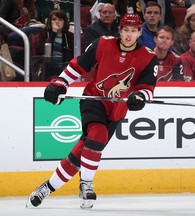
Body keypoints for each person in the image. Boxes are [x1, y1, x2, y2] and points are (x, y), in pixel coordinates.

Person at [26, 13, 158, 209]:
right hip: (94, 99)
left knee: (80, 153)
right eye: (126, 30)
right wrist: (61, 83)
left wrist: (140, 97)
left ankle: (48, 186)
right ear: (119, 31)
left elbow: (147, 88)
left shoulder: (148, 57)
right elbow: (79, 66)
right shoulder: (103, 44)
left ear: (139, 33)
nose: (129, 35)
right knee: (98, 135)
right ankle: (86, 184)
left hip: (117, 111)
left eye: (134, 31)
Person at [29, 9, 74, 81]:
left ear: (64, 22)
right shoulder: (42, 34)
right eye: (54, 19)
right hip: (47, 70)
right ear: (50, 22)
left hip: (65, 69)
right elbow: (41, 52)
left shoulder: (70, 37)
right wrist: (53, 34)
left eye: (60, 20)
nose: (57, 22)